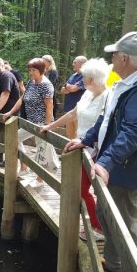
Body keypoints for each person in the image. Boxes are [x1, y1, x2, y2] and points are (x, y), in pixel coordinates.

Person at [64, 31, 137, 272]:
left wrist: (106, 162)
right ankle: (116, 262)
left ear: (125, 58)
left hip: (128, 170)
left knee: (124, 225)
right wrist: (86, 140)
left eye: (115, 55)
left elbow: (133, 131)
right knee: (106, 215)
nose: (112, 60)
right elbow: (106, 121)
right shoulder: (127, 83)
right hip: (116, 165)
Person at [41, 58, 110, 240]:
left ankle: (99, 228)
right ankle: (94, 223)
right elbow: (73, 114)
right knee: (79, 188)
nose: (82, 79)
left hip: (96, 149)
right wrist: (51, 126)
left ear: (92, 79)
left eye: (85, 76)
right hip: (81, 146)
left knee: (83, 189)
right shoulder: (87, 94)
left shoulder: (108, 98)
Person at [4, 58, 57, 187]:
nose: (31, 73)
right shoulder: (31, 82)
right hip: (30, 122)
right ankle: (24, 165)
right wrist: (10, 112)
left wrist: (47, 125)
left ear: (41, 70)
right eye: (30, 70)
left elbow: (50, 107)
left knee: (41, 151)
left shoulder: (46, 85)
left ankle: (40, 179)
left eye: (34, 70)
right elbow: (22, 99)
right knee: (13, 138)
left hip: (42, 123)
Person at [60, 56, 88, 139]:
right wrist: (70, 88)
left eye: (75, 62)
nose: (73, 64)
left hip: (79, 111)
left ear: (82, 64)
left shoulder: (86, 76)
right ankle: (71, 152)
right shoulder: (73, 76)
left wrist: (69, 87)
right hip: (68, 109)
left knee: (79, 136)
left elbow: (73, 89)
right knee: (70, 136)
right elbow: (62, 90)